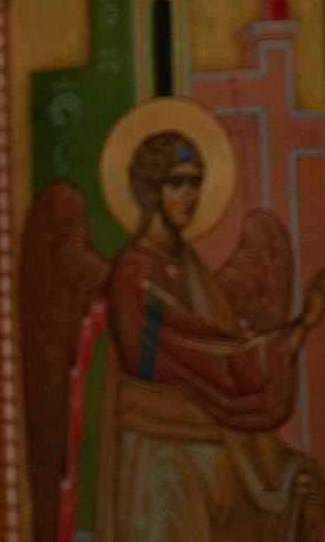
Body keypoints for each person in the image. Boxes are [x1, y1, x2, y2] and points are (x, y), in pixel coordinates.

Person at [99, 129, 325, 538]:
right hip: (163, 464)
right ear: (150, 190)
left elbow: (221, 359)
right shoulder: (136, 279)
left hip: (210, 458)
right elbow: (216, 363)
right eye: (176, 183)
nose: (190, 196)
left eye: (196, 182)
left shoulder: (192, 268)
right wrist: (300, 327)